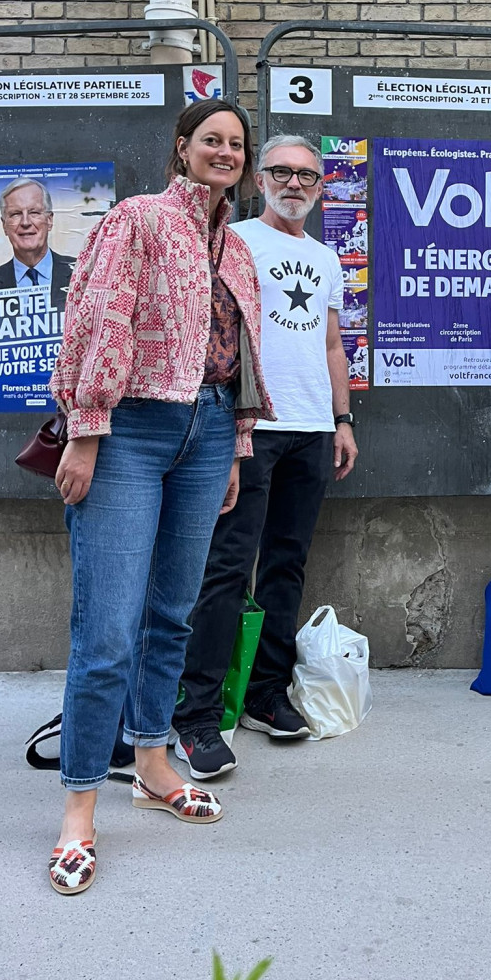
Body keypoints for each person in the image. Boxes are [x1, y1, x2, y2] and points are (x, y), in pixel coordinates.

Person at [46, 98, 274, 895]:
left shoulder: (237, 248)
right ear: (182, 149)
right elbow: (97, 316)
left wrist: (237, 445)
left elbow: (238, 351)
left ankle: (150, 759)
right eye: (211, 139)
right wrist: (85, 426)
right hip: (128, 431)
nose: (225, 151)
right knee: (106, 630)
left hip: (208, 432)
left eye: (236, 144)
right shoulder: (140, 219)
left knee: (172, 612)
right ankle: (78, 808)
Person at [173, 134, 358, 779]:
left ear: (320, 187)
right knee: (226, 567)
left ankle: (264, 693)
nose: (295, 184)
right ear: (259, 179)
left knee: (287, 564)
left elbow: (333, 345)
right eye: (281, 171)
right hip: (248, 428)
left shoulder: (328, 258)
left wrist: (342, 419)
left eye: (308, 176)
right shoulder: (238, 240)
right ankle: (195, 713)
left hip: (311, 428)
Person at [0, 177, 75, 299]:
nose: (25, 222)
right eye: (16, 214)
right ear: (4, 225)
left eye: (34, 212)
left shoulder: (80, 272)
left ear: (49, 220)